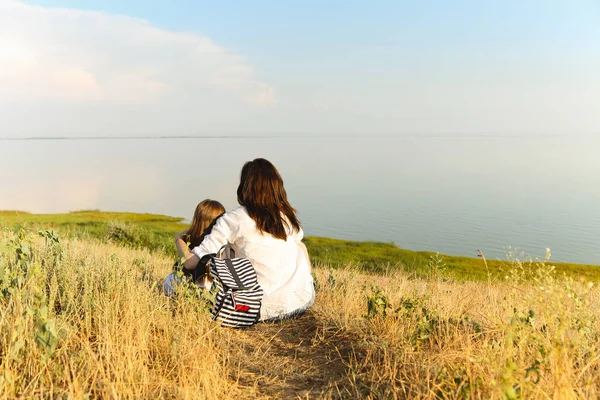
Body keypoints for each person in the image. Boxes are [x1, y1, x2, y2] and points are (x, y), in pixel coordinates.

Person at [176, 158, 315, 322]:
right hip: (302, 300)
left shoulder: (233, 219)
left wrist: (179, 239)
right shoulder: (286, 218)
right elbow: (297, 242)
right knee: (298, 245)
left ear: (245, 186)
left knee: (179, 278)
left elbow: (191, 263)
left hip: (259, 307)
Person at [163, 199, 225, 295]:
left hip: (200, 290)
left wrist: (179, 239)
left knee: (170, 279)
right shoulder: (224, 242)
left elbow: (188, 262)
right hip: (221, 291)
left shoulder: (207, 244)